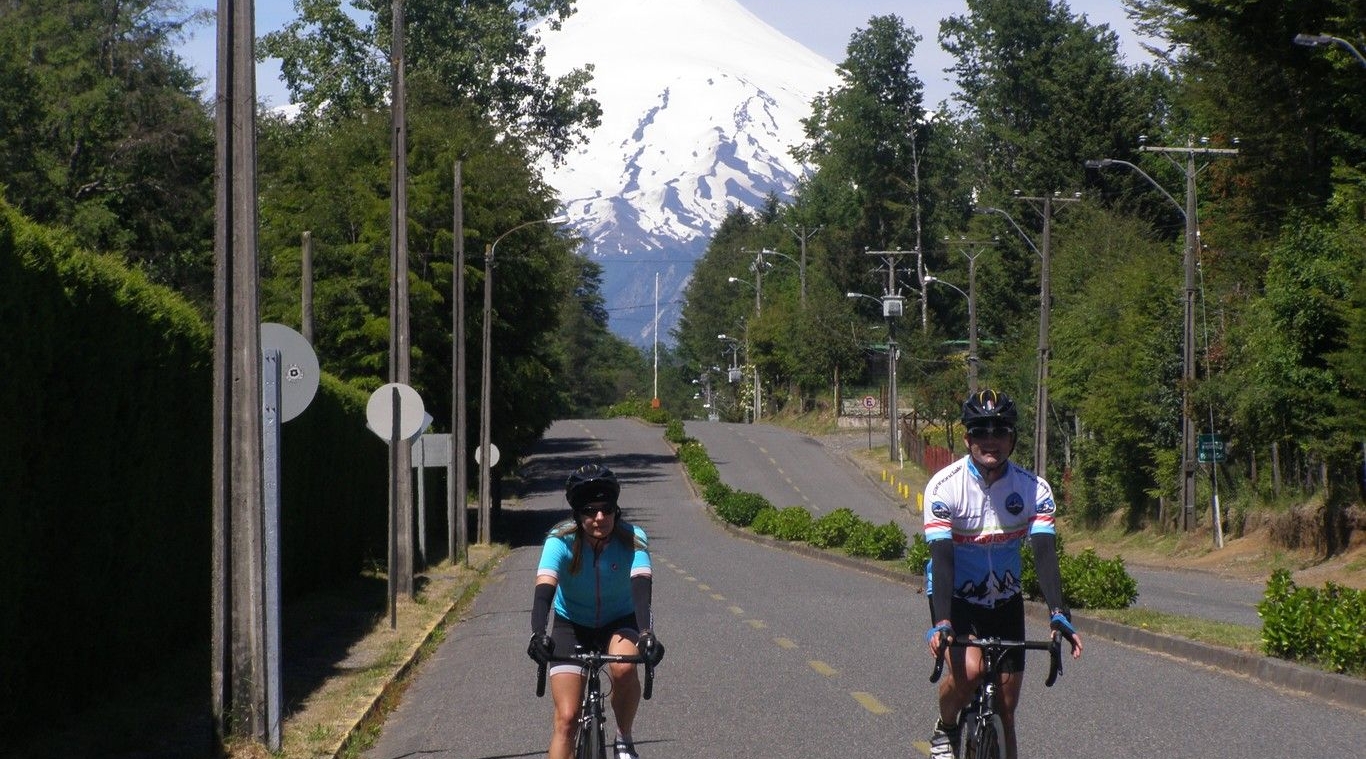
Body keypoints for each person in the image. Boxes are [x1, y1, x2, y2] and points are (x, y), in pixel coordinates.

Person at [922, 389, 1082, 759]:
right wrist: (942, 620)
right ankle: (946, 726)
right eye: (980, 431)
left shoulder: (1032, 489)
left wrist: (1058, 611)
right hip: (956, 597)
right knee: (972, 672)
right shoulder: (945, 488)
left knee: (1006, 710)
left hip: (1005, 599)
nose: (990, 439)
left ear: (1012, 438)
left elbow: (1044, 554)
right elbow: (942, 557)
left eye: (999, 431)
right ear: (967, 439)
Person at [528, 463, 664, 759]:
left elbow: (642, 593)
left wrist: (646, 634)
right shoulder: (559, 539)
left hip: (621, 620)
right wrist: (538, 634)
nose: (600, 517)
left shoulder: (633, 538)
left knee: (625, 666)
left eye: (607, 509)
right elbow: (543, 594)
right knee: (566, 719)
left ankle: (624, 739)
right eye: (590, 510)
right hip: (571, 624)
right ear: (578, 515)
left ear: (617, 510)